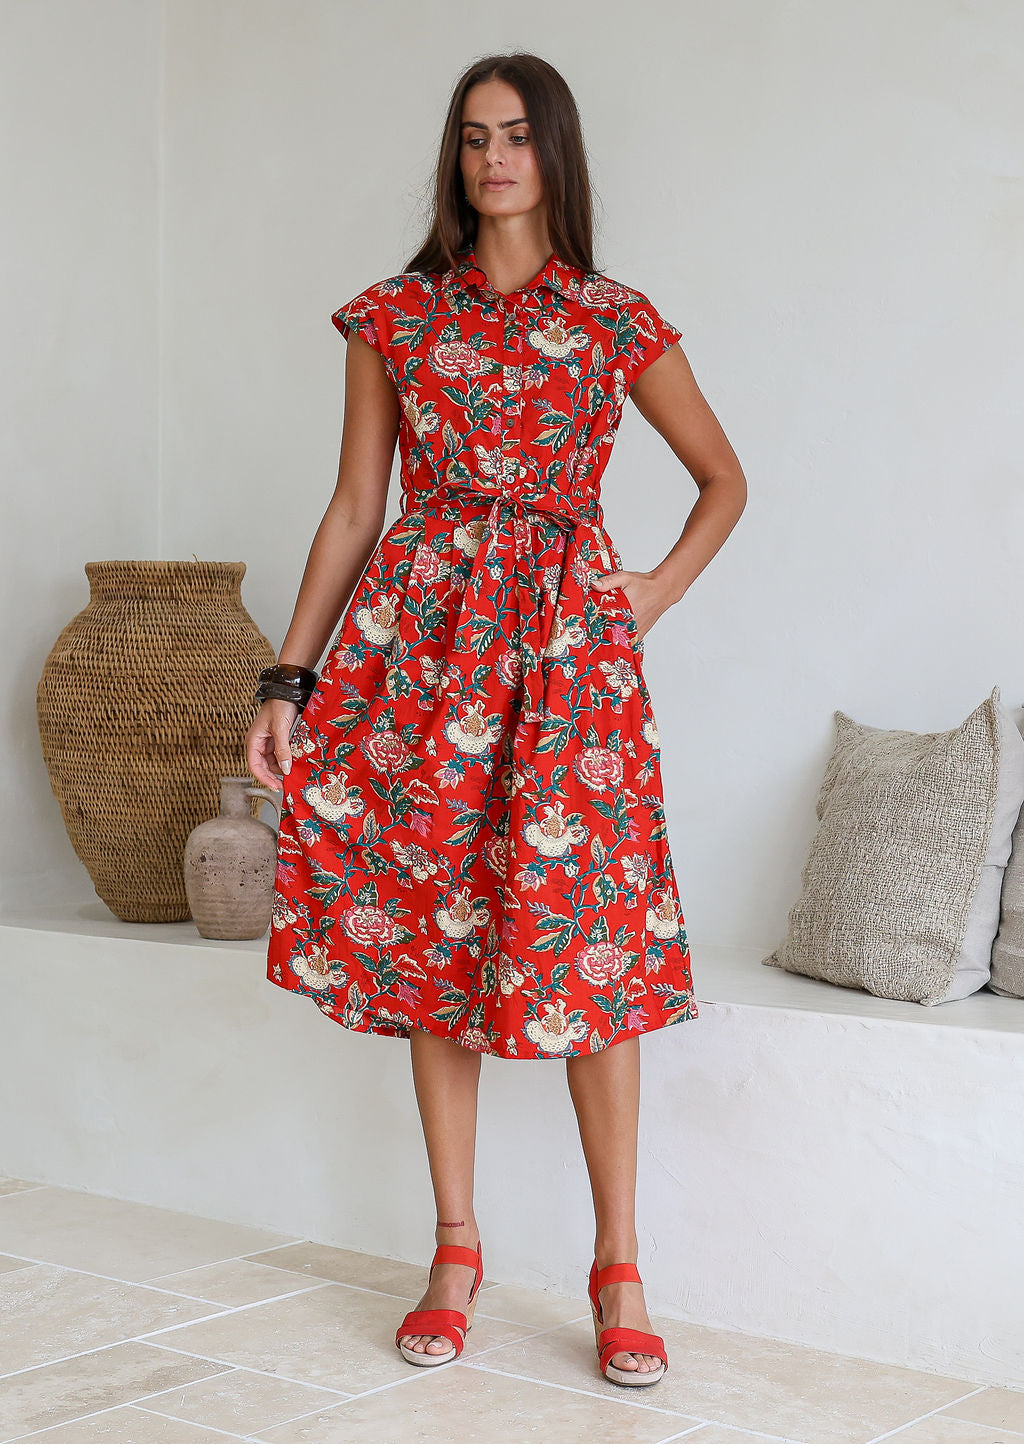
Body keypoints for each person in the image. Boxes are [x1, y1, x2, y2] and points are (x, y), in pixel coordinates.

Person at [246, 52, 746, 1388]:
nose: (493, 159)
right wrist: (286, 681)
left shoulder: (615, 320)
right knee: (434, 942)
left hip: (567, 661)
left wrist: (645, 596)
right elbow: (356, 508)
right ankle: (455, 1249)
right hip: (420, 657)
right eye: (474, 138)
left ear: (554, 154)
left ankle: (619, 1263)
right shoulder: (397, 319)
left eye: (517, 137)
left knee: (591, 951)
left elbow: (722, 480)